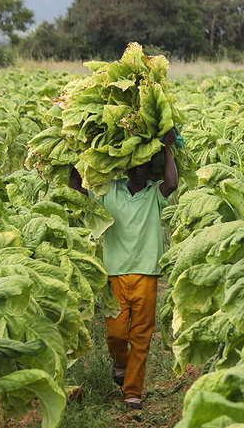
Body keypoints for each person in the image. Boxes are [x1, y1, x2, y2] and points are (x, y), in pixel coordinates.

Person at [69, 129, 179, 410]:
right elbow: (80, 191)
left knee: (141, 335)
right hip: (114, 273)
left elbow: (172, 183)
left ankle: (133, 391)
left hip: (146, 272)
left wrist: (167, 148)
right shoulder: (109, 191)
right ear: (126, 168)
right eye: (134, 165)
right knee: (116, 333)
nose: (138, 169)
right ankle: (120, 362)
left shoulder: (155, 194)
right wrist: (70, 157)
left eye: (143, 164)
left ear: (149, 167)